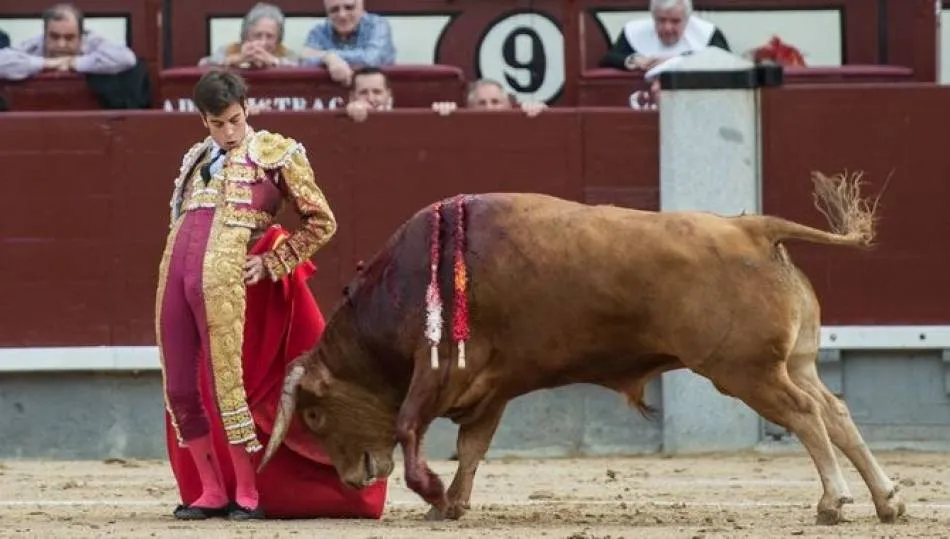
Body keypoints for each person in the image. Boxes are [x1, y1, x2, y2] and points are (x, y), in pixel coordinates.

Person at [156, 68, 388, 520]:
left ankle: (246, 491)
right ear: (203, 119)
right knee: (183, 387)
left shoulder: (276, 154)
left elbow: (322, 220)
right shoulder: (194, 160)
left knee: (230, 386)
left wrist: (273, 261)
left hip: (226, 286)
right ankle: (209, 491)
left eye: (235, 120)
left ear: (247, 108)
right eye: (217, 123)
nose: (228, 131)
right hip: (176, 279)